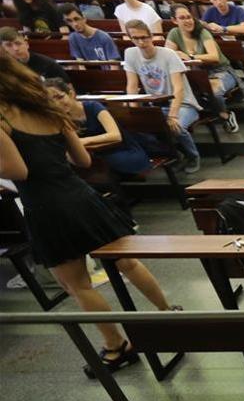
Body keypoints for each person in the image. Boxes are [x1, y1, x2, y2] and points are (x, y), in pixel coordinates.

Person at [0, 53, 177, 372]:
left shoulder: (2, 117)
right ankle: (167, 313)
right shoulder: (46, 108)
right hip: (80, 195)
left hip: (46, 204)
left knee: (78, 285)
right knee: (127, 261)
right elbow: (82, 160)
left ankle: (116, 346)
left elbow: (17, 170)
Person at [165, 4, 244, 131]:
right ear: (174, 20)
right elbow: (168, 56)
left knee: (213, 91)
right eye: (182, 18)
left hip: (221, 71)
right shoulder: (174, 33)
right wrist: (176, 54)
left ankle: (225, 115)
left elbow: (214, 57)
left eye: (189, 17)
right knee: (182, 89)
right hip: (195, 73)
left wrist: (190, 56)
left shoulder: (202, 32)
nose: (187, 21)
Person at [122, 19, 203, 173]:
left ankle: (193, 156)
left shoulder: (168, 54)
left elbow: (178, 88)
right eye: (136, 38)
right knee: (133, 127)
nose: (141, 42)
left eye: (144, 37)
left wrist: (173, 115)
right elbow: (131, 86)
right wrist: (134, 113)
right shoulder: (130, 53)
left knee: (174, 126)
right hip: (155, 104)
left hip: (183, 103)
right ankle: (174, 154)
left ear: (151, 36)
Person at [45, 77, 154, 176]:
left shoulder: (93, 106)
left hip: (122, 151)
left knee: (103, 164)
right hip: (94, 155)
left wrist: (81, 142)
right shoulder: (59, 118)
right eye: (51, 101)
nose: (57, 104)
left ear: (71, 94)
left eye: (60, 97)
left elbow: (116, 136)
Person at [0, 27, 68, 80]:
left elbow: (69, 90)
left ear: (26, 44)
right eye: (9, 45)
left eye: (18, 43)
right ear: (2, 49)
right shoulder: (3, 68)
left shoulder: (48, 64)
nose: (16, 48)